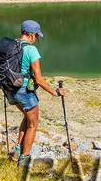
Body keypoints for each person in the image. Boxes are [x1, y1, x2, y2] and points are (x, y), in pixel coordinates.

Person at [12, 20, 64, 165]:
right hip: (23, 91)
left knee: (27, 117)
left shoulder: (12, 44)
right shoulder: (31, 50)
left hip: (10, 90)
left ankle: (18, 150)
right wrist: (54, 92)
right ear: (32, 35)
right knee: (33, 125)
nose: (36, 39)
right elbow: (39, 80)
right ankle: (24, 158)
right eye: (37, 36)